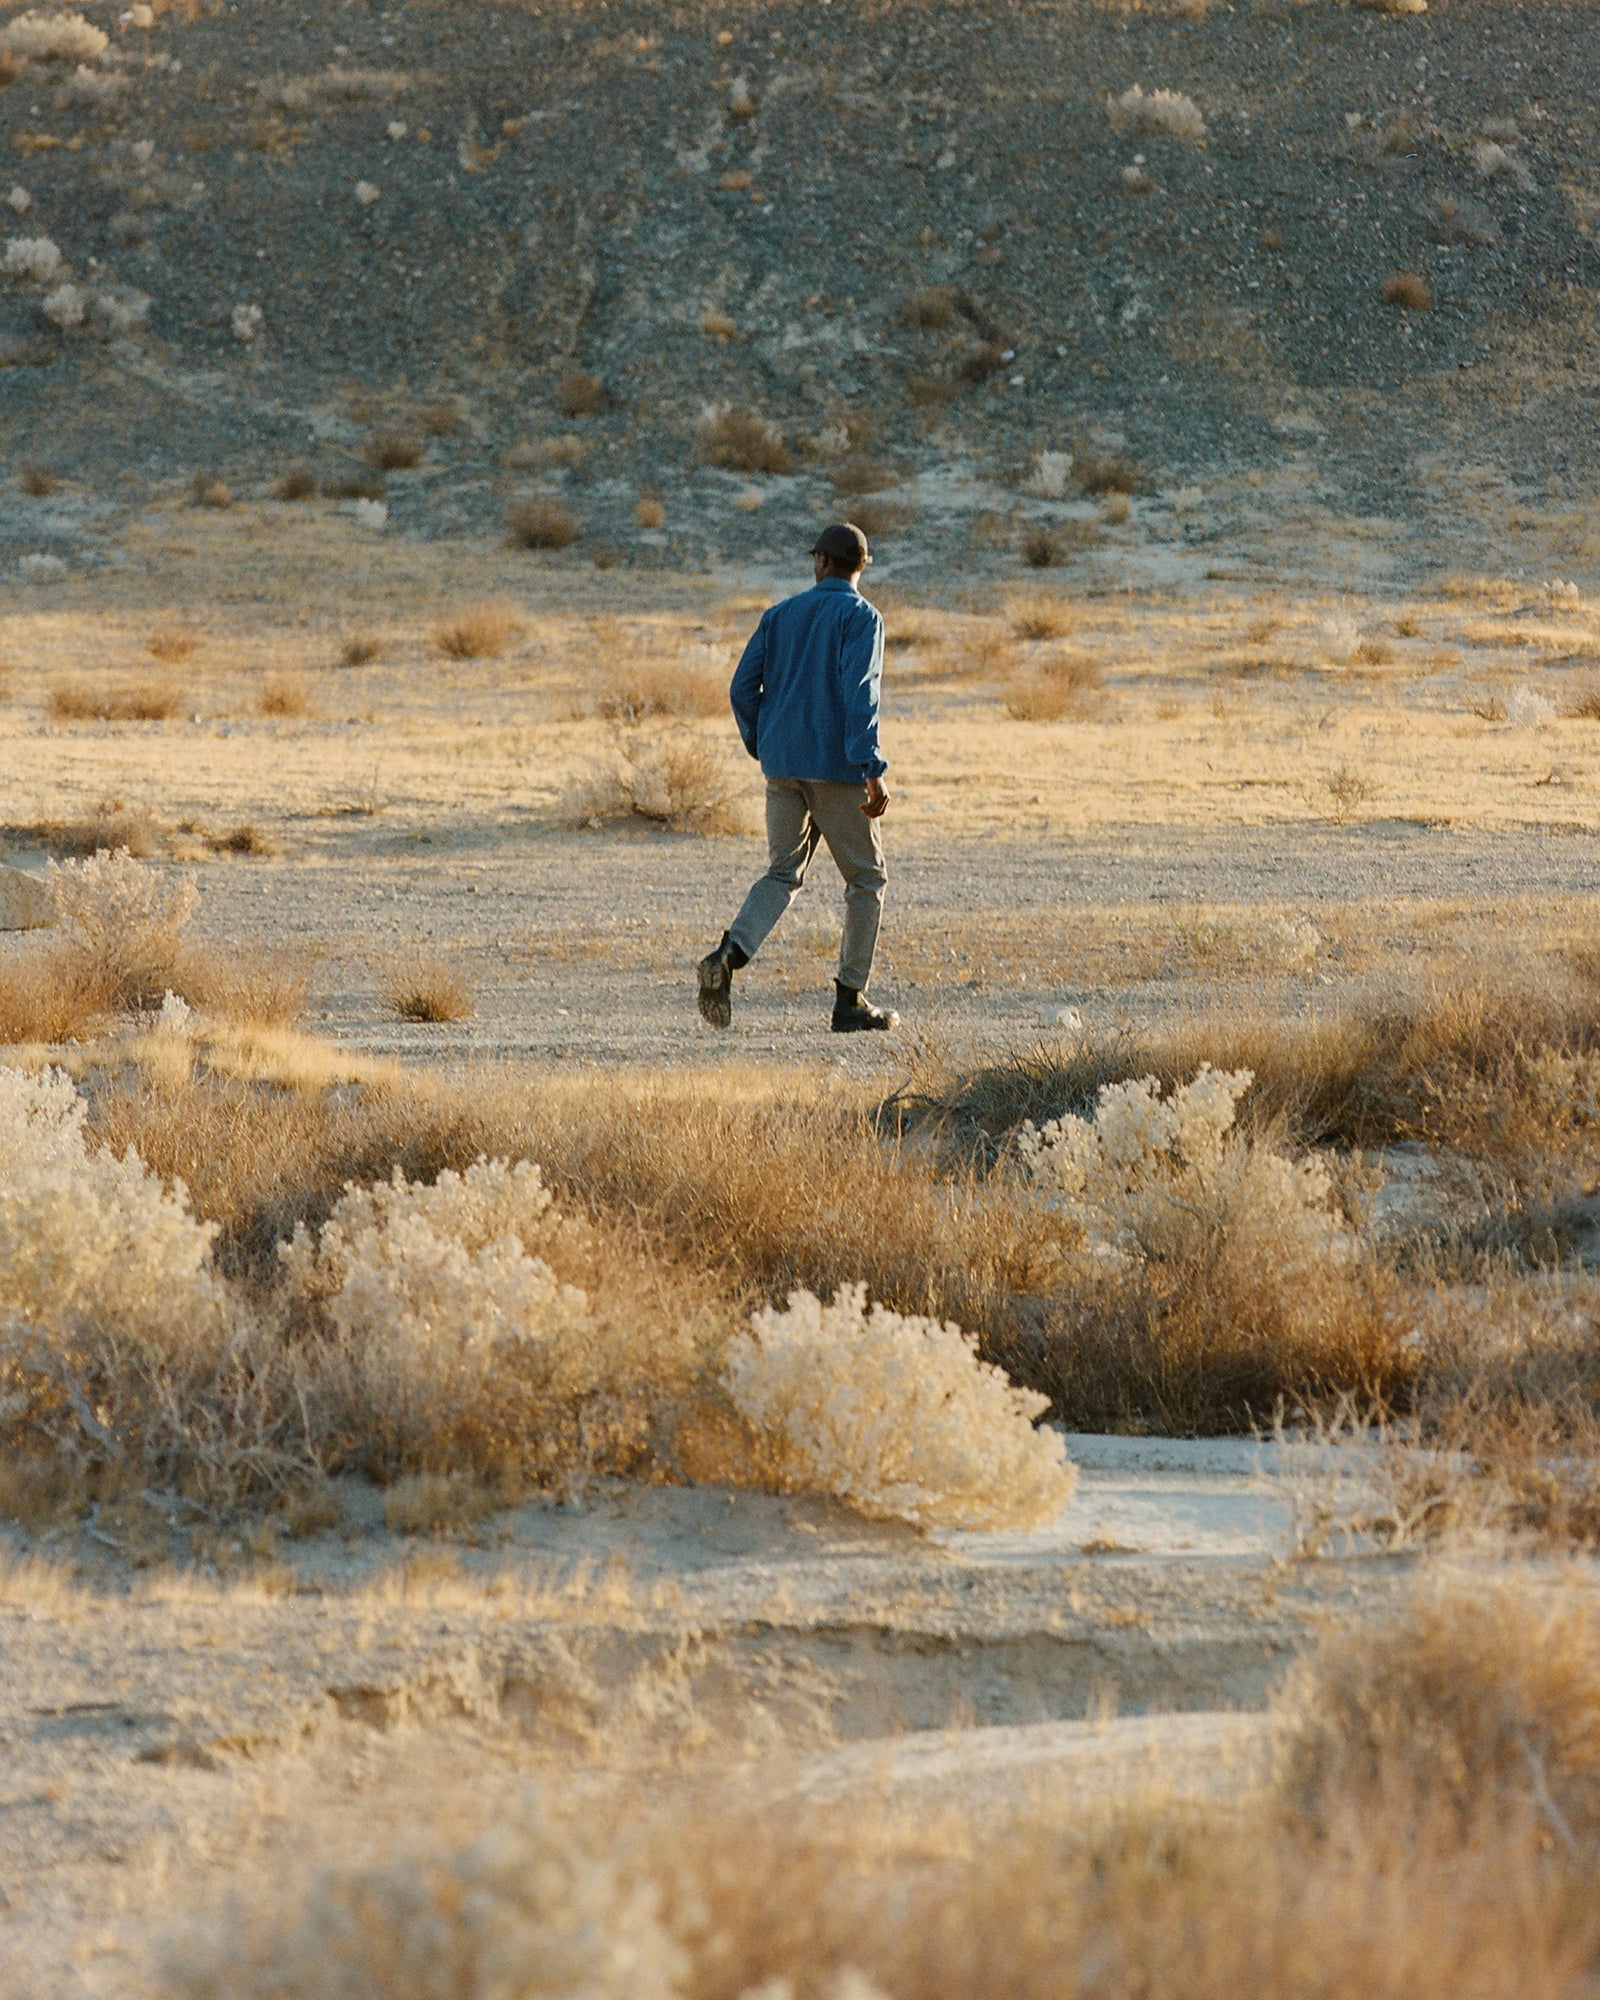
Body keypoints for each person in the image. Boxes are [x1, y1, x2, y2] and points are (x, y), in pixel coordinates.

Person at [697, 522, 898, 1033]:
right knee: (867, 879)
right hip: (836, 770)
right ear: (860, 566)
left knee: (782, 873)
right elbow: (860, 694)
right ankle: (850, 1000)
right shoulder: (863, 617)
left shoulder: (779, 615)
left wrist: (763, 743)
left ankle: (728, 954)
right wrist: (871, 769)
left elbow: (742, 689)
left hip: (782, 767)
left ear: (822, 561)